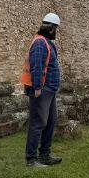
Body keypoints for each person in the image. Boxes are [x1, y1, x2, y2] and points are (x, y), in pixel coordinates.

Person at [21, 13, 63, 168]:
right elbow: (36, 66)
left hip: (49, 90)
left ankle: (44, 154)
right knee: (38, 123)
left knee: (51, 121)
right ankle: (31, 159)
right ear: (51, 28)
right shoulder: (40, 43)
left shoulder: (46, 42)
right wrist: (37, 87)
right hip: (42, 90)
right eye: (56, 29)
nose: (56, 32)